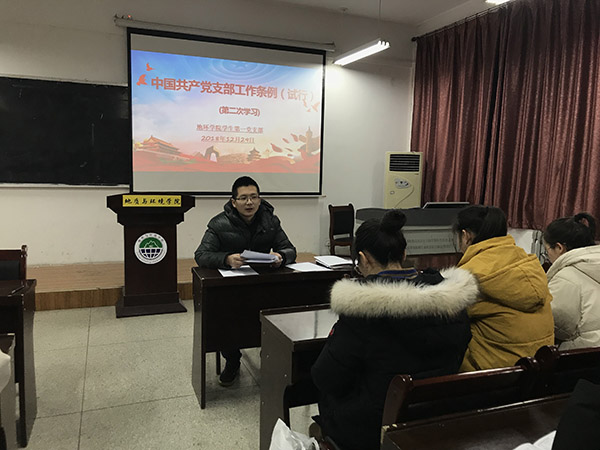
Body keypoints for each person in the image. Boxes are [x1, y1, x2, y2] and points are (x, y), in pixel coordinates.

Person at [310, 210, 477, 450]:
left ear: (363, 259)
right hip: (432, 423)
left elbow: (325, 377)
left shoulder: (362, 311)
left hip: (371, 431)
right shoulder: (451, 301)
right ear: (404, 253)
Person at [194, 176, 296, 386]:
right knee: (227, 317)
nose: (249, 202)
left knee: (281, 307)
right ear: (233, 202)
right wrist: (226, 259)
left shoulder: (271, 221)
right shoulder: (219, 223)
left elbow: (289, 249)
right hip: (233, 285)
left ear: (260, 199)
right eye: (243, 198)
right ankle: (232, 360)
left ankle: (270, 354)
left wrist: (281, 257)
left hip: (263, 283)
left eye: (254, 197)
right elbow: (201, 255)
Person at [455, 205, 554, 372]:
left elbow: (448, 319)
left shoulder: (470, 274)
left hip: (490, 375)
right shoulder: (530, 264)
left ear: (466, 236)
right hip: (537, 371)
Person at [543, 213, 600, 350]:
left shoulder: (566, 276)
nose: (547, 256)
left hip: (585, 353)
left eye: (547, 250)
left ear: (559, 247)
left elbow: (554, 323)